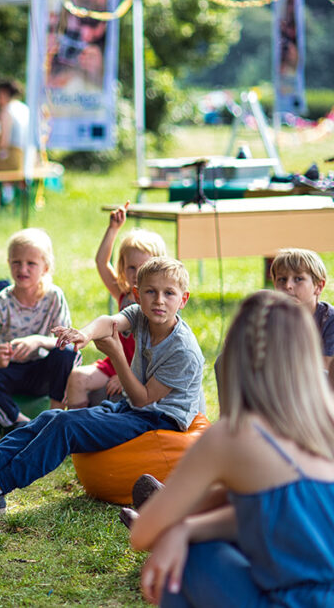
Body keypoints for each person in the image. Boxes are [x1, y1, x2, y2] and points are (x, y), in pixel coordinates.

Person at [0, 257, 204, 517]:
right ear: (138, 295)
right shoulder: (140, 315)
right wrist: (85, 334)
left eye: (169, 293)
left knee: (65, 425)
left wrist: (117, 355)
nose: (159, 300)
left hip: (160, 419)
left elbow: (144, 401)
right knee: (50, 417)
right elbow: (110, 322)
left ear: (183, 299)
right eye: (151, 292)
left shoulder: (183, 351)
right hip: (133, 409)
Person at [129, 290, 334, 606]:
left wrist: (184, 519)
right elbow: (275, 516)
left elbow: (141, 533)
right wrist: (186, 527)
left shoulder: (234, 435)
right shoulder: (326, 426)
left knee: (191, 561)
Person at [0, 228, 78, 429]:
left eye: (31, 264)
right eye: (16, 262)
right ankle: (19, 423)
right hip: (11, 372)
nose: (22, 269)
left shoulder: (53, 297)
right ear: (8, 263)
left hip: (42, 370)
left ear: (45, 267)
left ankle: (55, 417)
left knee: (67, 353)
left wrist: (37, 340)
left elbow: (66, 340)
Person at [64, 204, 167, 408]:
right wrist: (113, 229)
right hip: (114, 365)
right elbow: (102, 262)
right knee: (76, 378)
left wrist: (127, 377)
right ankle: (76, 429)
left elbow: (158, 353)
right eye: (131, 267)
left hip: (142, 371)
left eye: (144, 268)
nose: (137, 274)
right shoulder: (123, 293)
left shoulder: (160, 306)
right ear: (123, 268)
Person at [269, 248, 334, 377]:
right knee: (222, 361)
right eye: (282, 279)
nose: (288, 285)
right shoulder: (269, 315)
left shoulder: (329, 319)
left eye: (298, 279)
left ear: (318, 287)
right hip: (278, 381)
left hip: (318, 388)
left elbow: (327, 365)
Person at [0, 79, 30, 173]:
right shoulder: (25, 108)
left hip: (14, 160)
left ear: (4, 94)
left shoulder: (7, 110)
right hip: (29, 160)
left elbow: (4, 143)